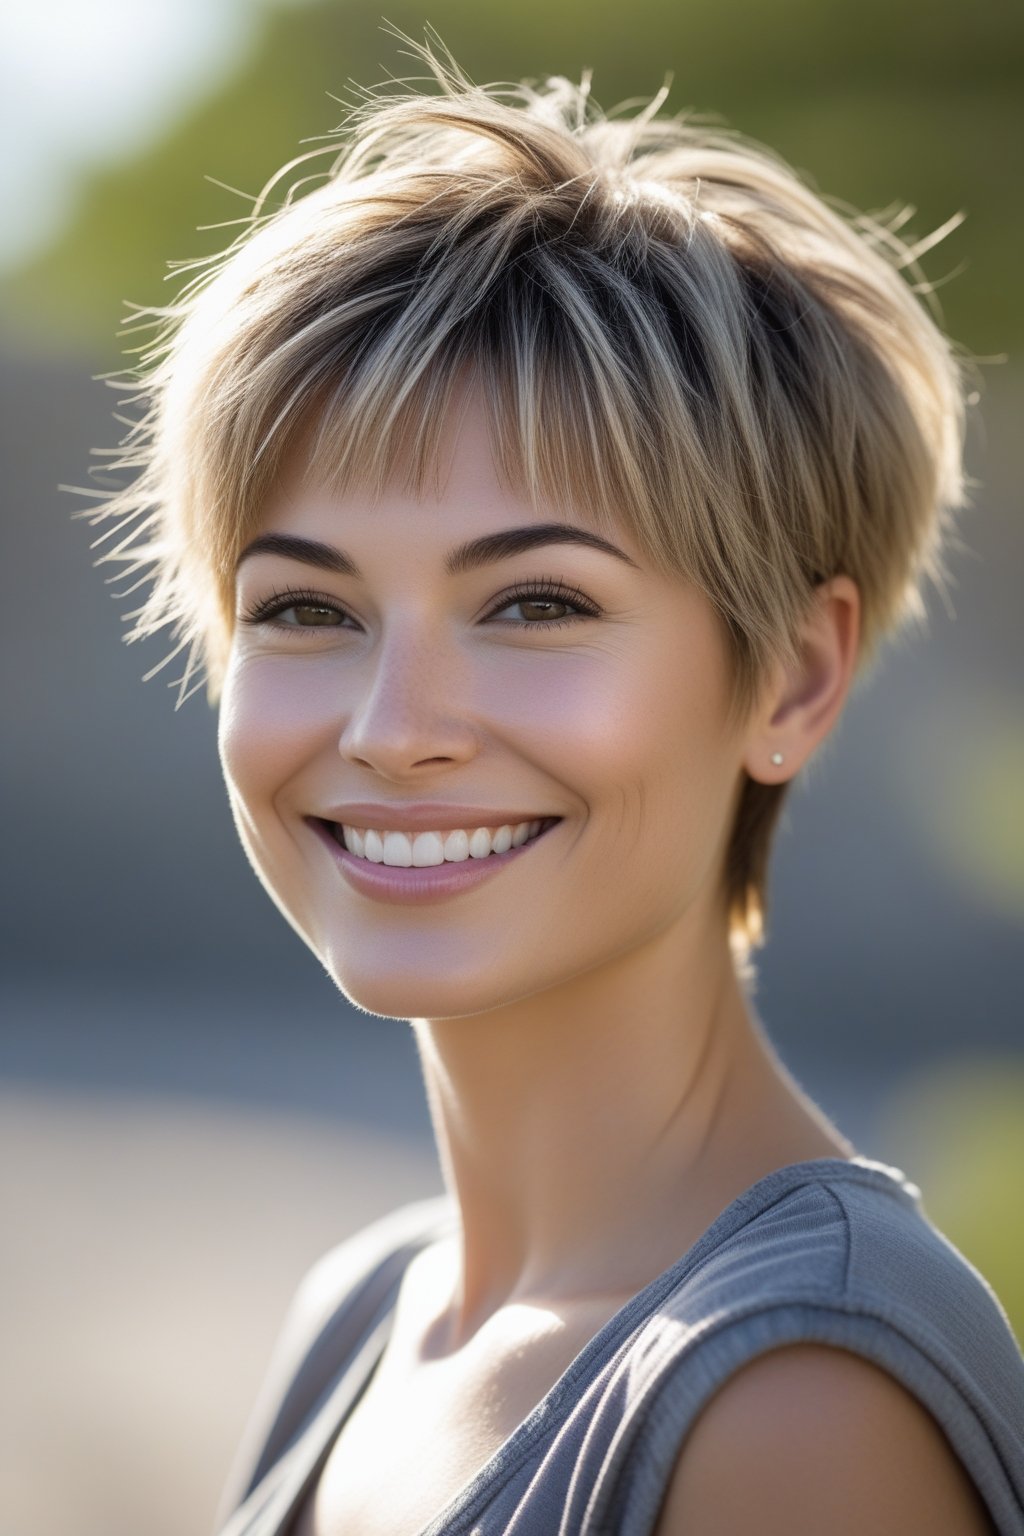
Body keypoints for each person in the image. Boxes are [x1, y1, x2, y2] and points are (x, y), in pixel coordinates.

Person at [90, 37, 1023, 1536]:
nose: (396, 730)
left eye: (534, 605)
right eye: (306, 610)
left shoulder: (796, 1405)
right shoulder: (363, 1316)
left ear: (791, 675)